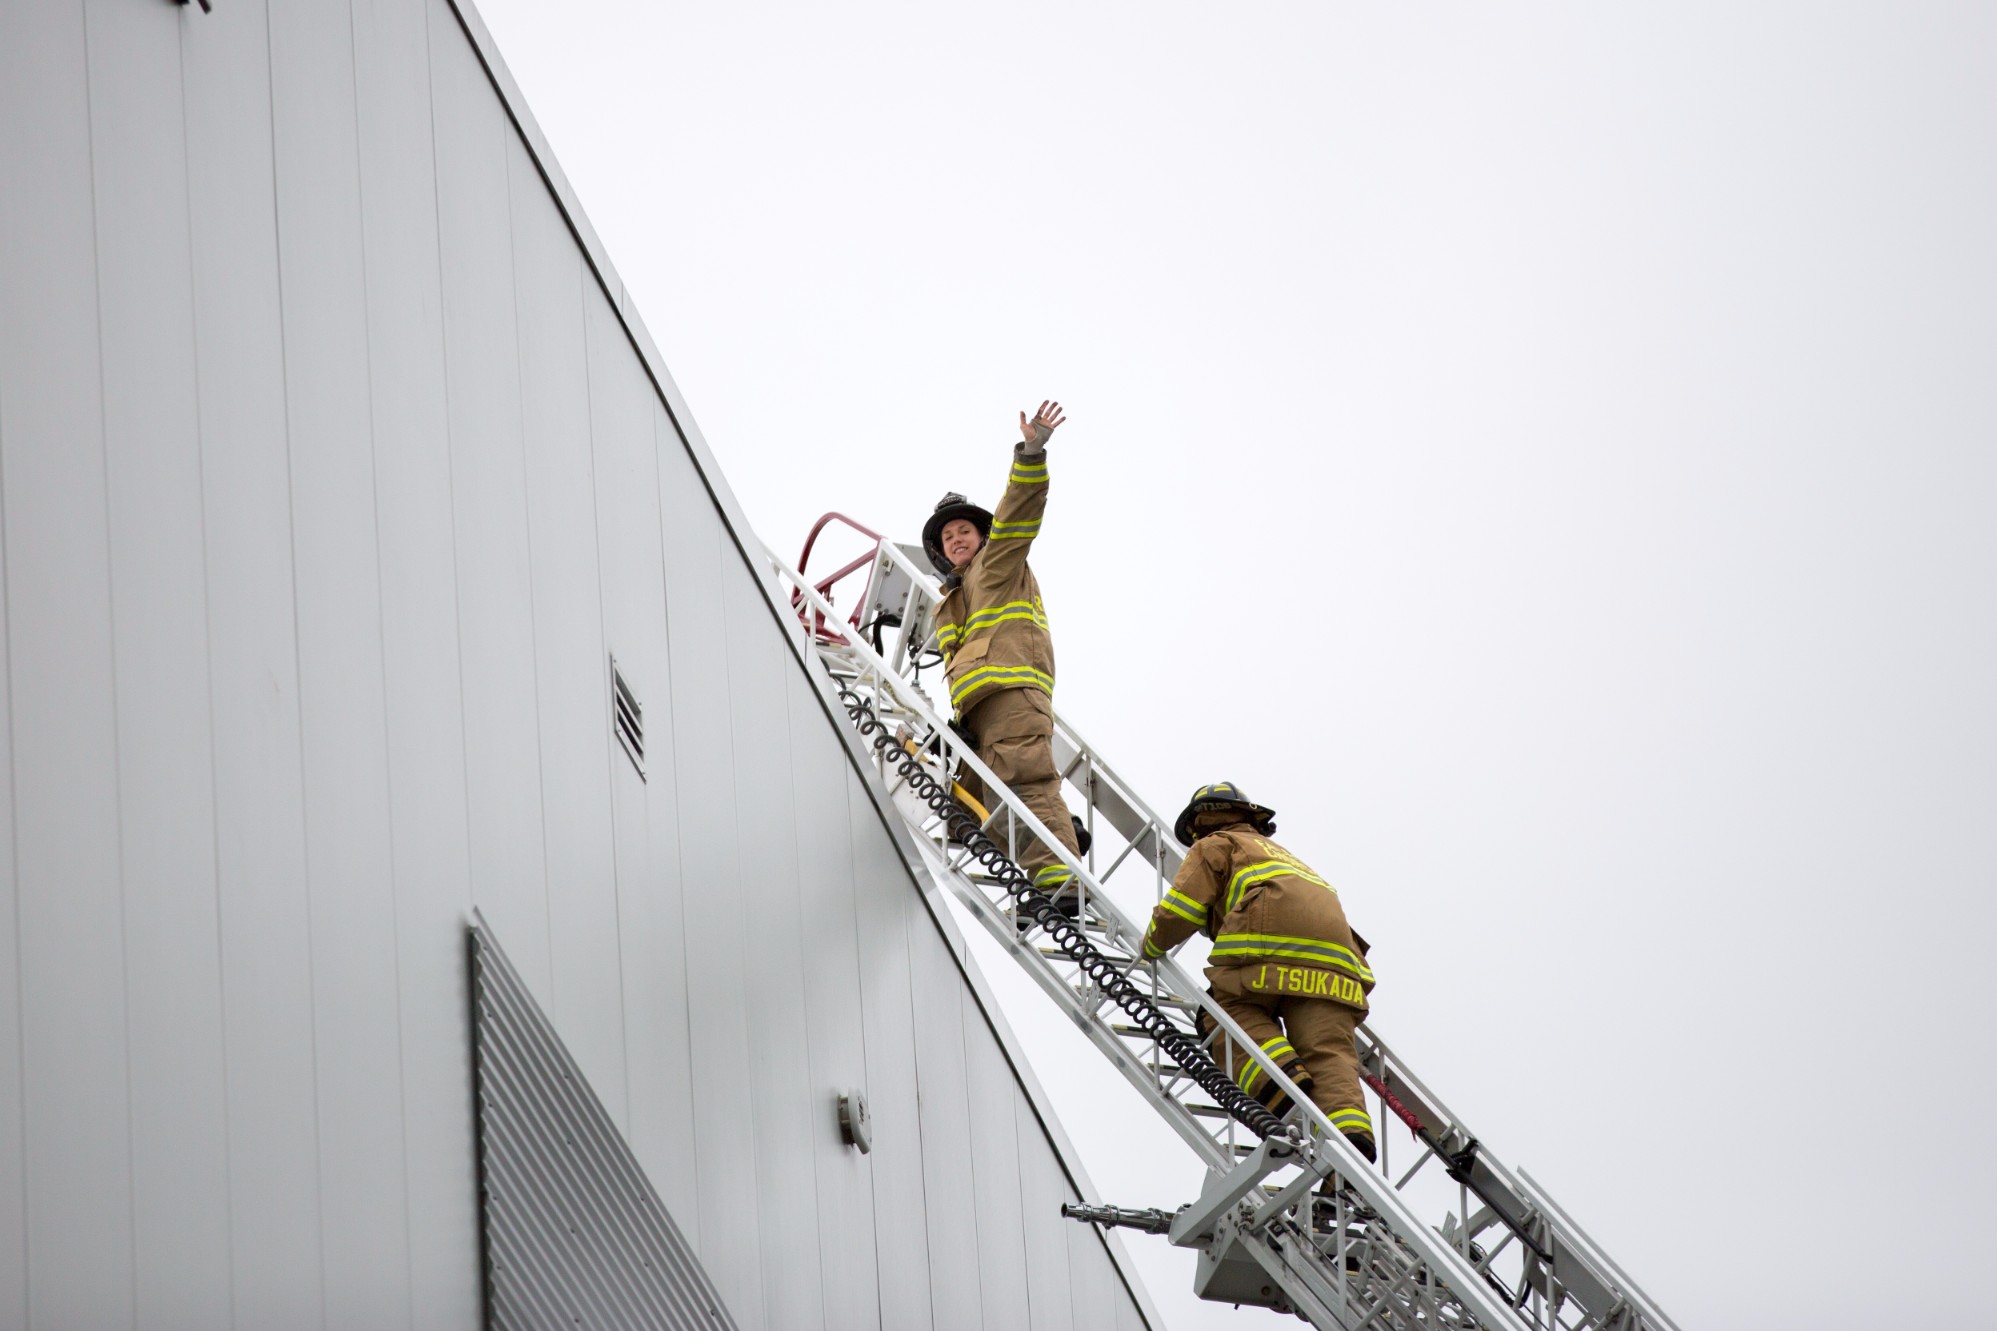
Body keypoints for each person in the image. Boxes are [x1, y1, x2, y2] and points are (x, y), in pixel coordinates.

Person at [1141, 782, 1378, 1161]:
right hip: (1337, 962)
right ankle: (1350, 1144)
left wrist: (1150, 945)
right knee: (1328, 1052)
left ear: (1199, 822)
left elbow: (1180, 910)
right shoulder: (1285, 857)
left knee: (1224, 1014)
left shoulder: (1217, 843)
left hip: (1270, 941)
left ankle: (1278, 1083)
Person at [921, 401, 1084, 904]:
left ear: (982, 536)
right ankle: (1059, 842)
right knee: (971, 809)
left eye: (964, 531)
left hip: (1011, 695)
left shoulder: (997, 562)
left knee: (1026, 786)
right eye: (948, 536)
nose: (956, 540)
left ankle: (1060, 883)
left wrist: (1031, 454)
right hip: (979, 712)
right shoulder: (952, 598)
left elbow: (1017, 514)